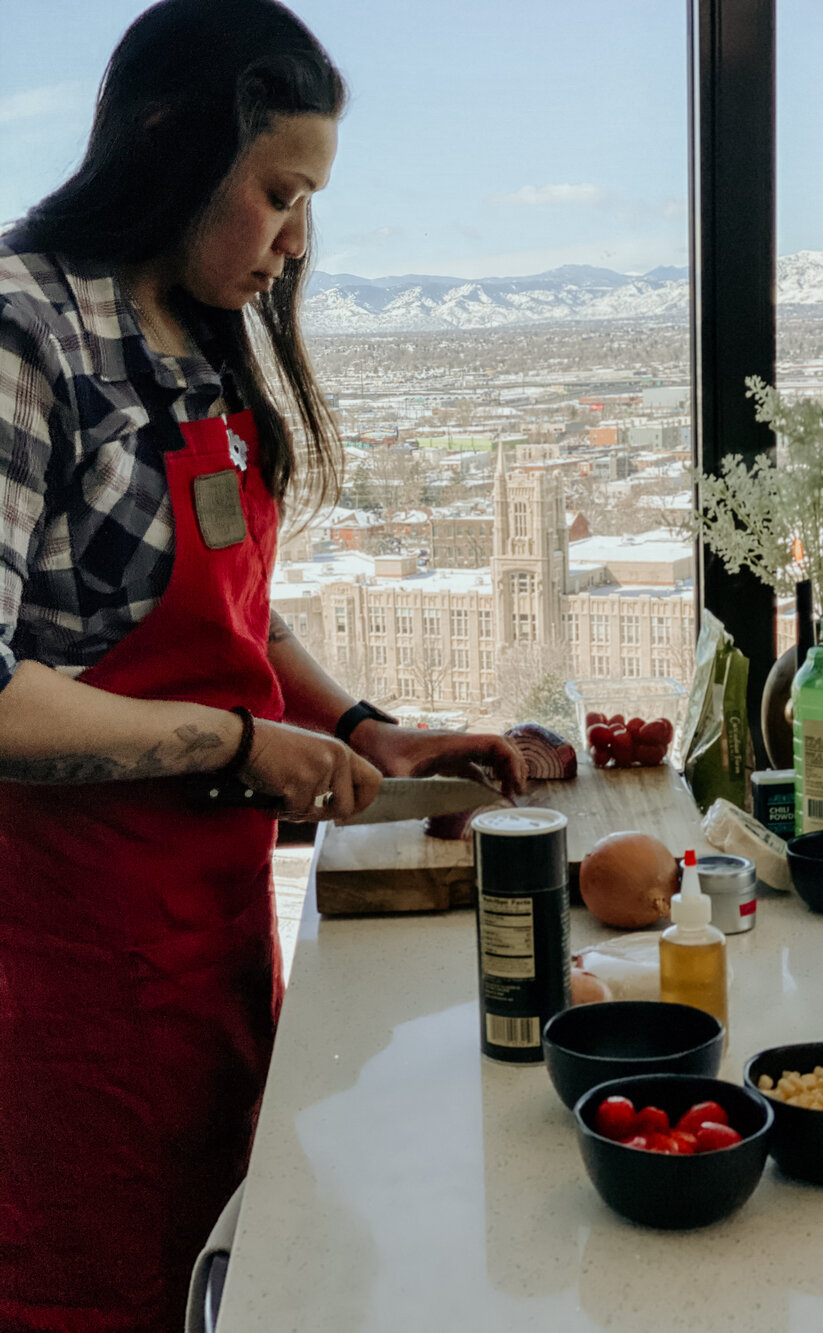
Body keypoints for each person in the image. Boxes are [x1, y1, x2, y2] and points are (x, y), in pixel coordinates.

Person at [0, 2, 526, 1328]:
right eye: (279, 193)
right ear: (170, 143)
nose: (298, 241)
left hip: (213, 946)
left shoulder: (196, 332)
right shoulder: (26, 333)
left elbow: (239, 623)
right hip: (57, 971)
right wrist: (242, 746)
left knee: (228, 1266)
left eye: (311, 203)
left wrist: (364, 725)